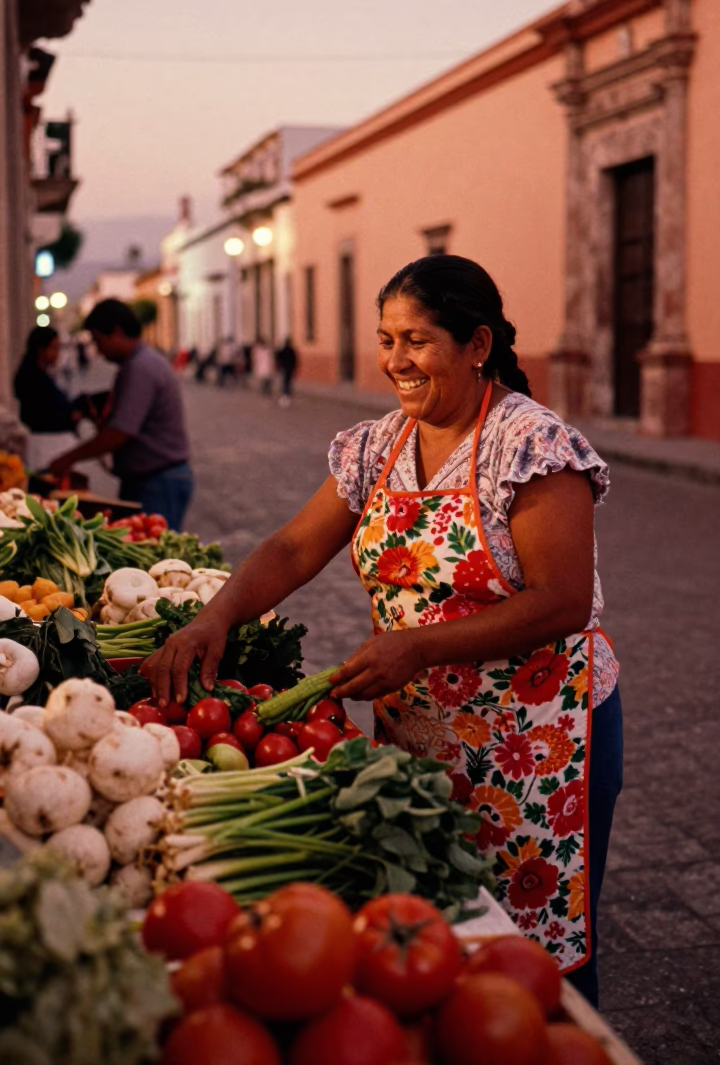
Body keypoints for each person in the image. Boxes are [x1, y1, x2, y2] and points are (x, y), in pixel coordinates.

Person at [141, 255, 622, 1005]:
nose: (396, 359)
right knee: (436, 940)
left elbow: (562, 602)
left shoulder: (530, 444)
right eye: (385, 338)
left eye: (417, 339)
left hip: (539, 739)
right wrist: (216, 617)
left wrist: (419, 645)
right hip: (419, 740)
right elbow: (296, 547)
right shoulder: (377, 446)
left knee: (534, 959)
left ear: (478, 344)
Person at [48, 298, 194, 530]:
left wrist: (68, 458)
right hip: (151, 478)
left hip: (157, 480)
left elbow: (118, 433)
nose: (98, 350)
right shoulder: (139, 362)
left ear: (115, 332)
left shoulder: (140, 367)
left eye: (98, 341)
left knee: (155, 560)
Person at [13, 326, 78, 471]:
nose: (57, 354)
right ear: (40, 349)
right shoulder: (32, 377)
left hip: (51, 444)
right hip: (45, 445)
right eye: (54, 348)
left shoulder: (44, 373)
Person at [275, 337, 299, 406]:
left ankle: (285, 394)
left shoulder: (283, 350)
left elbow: (278, 358)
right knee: (288, 382)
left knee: (285, 382)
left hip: (285, 368)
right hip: (290, 369)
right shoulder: (292, 350)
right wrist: (295, 368)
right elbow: (295, 360)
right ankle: (287, 394)